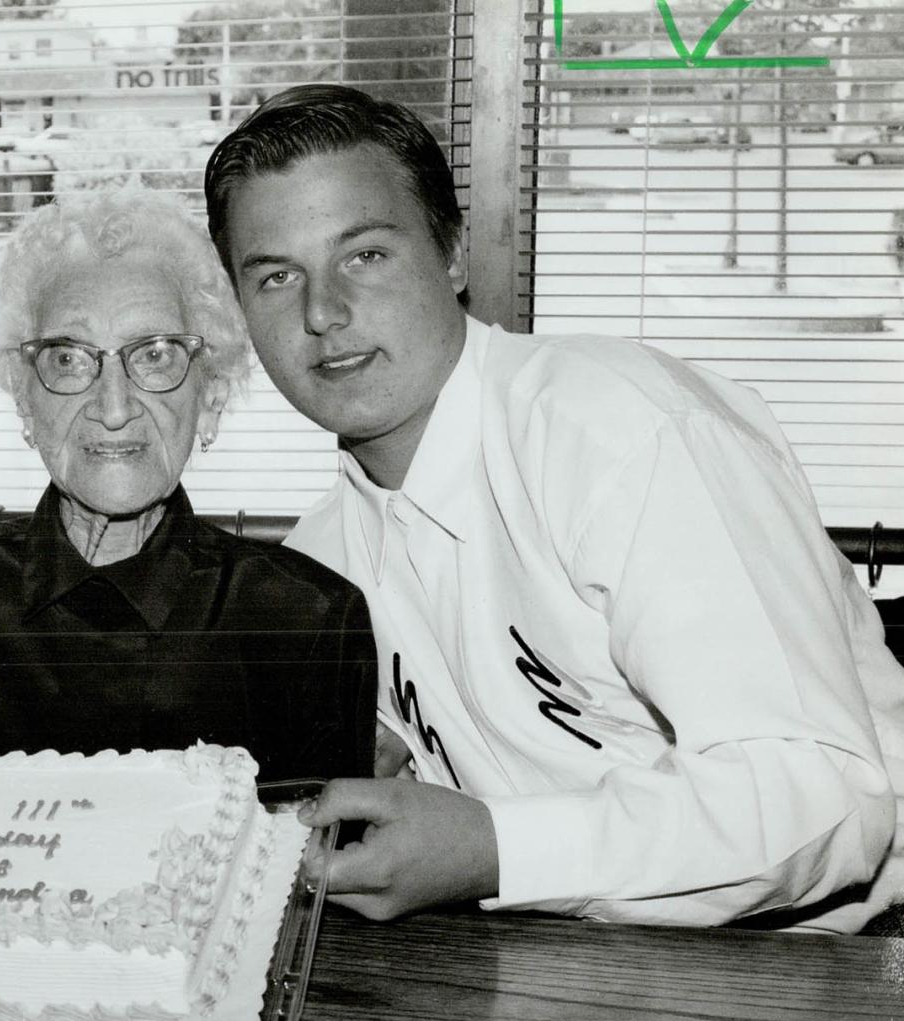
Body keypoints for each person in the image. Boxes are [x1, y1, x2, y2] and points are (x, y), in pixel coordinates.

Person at [204, 84, 904, 931]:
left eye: (364, 255)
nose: (323, 313)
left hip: (837, 971)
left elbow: (823, 801)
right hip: (558, 969)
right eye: (276, 276)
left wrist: (496, 847)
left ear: (453, 254)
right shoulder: (325, 561)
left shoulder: (620, 430)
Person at [0, 190, 374, 782]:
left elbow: (321, 869)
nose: (113, 408)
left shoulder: (306, 623)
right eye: (68, 359)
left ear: (210, 391)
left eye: (156, 355)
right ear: (24, 398)